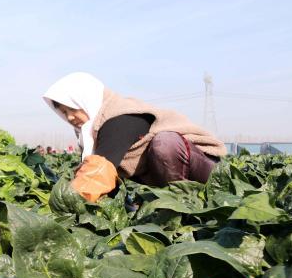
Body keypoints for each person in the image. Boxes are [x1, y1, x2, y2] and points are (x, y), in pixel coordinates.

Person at [43, 72, 226, 202]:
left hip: (207, 170)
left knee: (164, 144)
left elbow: (98, 173)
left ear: (85, 99)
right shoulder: (91, 133)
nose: (70, 117)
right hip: (168, 174)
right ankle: (173, 203)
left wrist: (69, 203)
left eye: (72, 109)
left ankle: (182, 205)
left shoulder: (118, 118)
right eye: (64, 113)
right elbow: (108, 177)